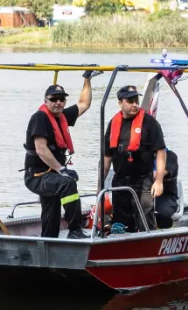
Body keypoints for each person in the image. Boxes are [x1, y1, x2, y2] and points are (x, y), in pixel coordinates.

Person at [24, 72, 96, 239]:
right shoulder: (40, 118)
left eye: (61, 99)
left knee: (51, 211)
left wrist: (87, 79)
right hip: (37, 176)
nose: (58, 103)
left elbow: (84, 103)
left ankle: (48, 241)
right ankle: (75, 231)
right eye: (53, 99)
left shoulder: (62, 116)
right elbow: (41, 149)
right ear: (45, 101)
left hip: (51, 176)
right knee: (67, 184)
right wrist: (62, 169)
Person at [101, 84, 168, 233]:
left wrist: (158, 181)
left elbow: (161, 152)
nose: (135, 104)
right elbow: (107, 156)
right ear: (120, 103)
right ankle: (122, 246)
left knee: (145, 214)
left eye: (136, 100)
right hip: (120, 180)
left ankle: (149, 243)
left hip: (143, 180)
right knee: (121, 222)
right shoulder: (113, 123)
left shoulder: (149, 122)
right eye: (130, 101)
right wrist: (100, 182)